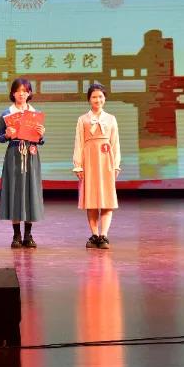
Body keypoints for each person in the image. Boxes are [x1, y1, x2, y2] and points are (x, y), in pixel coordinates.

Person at [0, 78, 46, 248]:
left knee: (30, 191)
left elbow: (41, 140)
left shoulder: (35, 113)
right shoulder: (6, 113)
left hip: (31, 155)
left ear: (29, 93)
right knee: (15, 191)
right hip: (14, 154)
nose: (21, 94)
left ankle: (28, 234)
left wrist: (41, 135)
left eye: (25, 91)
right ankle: (16, 235)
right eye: (18, 91)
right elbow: (0, 137)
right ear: (13, 93)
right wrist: (7, 135)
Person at [73, 82, 121, 250]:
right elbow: (79, 143)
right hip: (90, 161)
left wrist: (116, 165)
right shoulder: (83, 119)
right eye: (94, 97)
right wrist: (78, 165)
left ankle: (104, 235)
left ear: (104, 98)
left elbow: (115, 143)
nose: (97, 99)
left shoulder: (111, 119)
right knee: (92, 200)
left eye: (100, 96)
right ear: (89, 99)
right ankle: (94, 234)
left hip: (106, 161)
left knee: (107, 199)